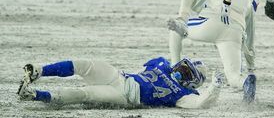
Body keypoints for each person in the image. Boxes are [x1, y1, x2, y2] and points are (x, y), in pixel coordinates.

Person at [168, 0, 258, 103]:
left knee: (176, 29)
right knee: (233, 77)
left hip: (210, 23)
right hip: (234, 32)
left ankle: (174, 68)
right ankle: (245, 81)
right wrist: (250, 65)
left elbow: (194, 3)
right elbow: (250, 35)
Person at [17, 57, 224, 108]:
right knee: (85, 64)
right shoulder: (163, 63)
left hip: (125, 96)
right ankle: (39, 71)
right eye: (183, 67)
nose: (181, 72)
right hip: (119, 77)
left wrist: (215, 87)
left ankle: (35, 95)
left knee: (84, 94)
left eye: (187, 74)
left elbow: (201, 103)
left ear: (193, 84)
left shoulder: (185, 96)